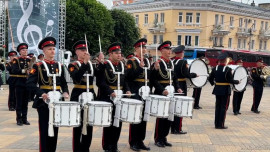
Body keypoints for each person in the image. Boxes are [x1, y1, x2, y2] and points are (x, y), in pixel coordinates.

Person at [26, 37, 69, 152]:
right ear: (43, 51)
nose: (52, 51)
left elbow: (63, 82)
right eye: (49, 49)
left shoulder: (59, 65)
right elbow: (30, 84)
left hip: (58, 101)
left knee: (55, 129)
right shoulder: (38, 66)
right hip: (44, 102)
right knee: (45, 130)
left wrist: (65, 92)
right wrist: (42, 93)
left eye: (53, 49)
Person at [68, 40, 103, 152]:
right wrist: (84, 64)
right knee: (78, 124)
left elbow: (100, 76)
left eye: (86, 50)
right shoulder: (73, 64)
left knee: (89, 124)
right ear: (76, 52)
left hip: (90, 95)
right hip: (78, 95)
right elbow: (76, 78)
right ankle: (77, 149)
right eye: (82, 50)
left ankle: (86, 148)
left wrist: (101, 63)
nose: (85, 52)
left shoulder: (91, 65)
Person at [96, 42, 131, 152]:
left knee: (118, 123)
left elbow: (124, 81)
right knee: (109, 123)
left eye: (120, 53)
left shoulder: (121, 65)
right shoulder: (105, 65)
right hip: (108, 97)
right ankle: (107, 146)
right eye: (116, 53)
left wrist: (128, 90)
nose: (119, 55)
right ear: (110, 54)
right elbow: (100, 82)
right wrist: (110, 91)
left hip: (119, 97)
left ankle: (114, 145)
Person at [151, 41, 181, 147]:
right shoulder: (157, 63)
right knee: (161, 117)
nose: (169, 51)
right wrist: (161, 90)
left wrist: (178, 88)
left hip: (171, 92)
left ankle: (164, 137)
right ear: (162, 51)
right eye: (167, 49)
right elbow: (153, 80)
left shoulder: (171, 63)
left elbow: (174, 77)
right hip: (161, 92)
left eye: (170, 49)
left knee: (169, 116)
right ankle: (158, 138)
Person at [126, 38, 150, 151]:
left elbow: (149, 77)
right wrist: (139, 68)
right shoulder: (131, 61)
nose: (144, 49)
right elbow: (128, 77)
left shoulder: (147, 61)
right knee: (135, 118)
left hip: (145, 92)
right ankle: (133, 142)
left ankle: (140, 141)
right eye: (141, 47)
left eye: (145, 47)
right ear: (136, 49)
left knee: (144, 118)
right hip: (136, 91)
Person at [170, 45, 197, 134]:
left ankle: (173, 128)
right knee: (180, 106)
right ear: (181, 53)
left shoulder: (173, 61)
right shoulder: (183, 62)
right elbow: (186, 74)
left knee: (174, 107)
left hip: (173, 85)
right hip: (181, 85)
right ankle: (178, 128)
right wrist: (194, 75)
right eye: (183, 52)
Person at [208, 52, 239, 129]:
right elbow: (230, 80)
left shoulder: (215, 68)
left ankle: (216, 124)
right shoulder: (228, 69)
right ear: (225, 60)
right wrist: (237, 81)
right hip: (225, 90)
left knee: (218, 107)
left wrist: (214, 83)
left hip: (217, 89)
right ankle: (221, 124)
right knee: (223, 107)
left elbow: (210, 78)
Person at [11, 43, 31, 126]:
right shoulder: (16, 60)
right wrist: (24, 71)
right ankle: (19, 119)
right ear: (19, 51)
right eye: (23, 50)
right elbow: (14, 70)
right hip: (19, 82)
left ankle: (24, 118)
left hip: (27, 83)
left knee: (25, 102)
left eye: (26, 50)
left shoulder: (30, 60)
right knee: (19, 102)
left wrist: (31, 72)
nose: (25, 51)